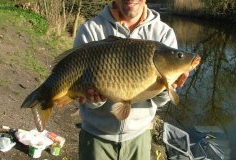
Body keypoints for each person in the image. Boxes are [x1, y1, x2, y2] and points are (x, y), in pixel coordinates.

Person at [74, 0, 189, 159]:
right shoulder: (91, 29)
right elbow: (81, 98)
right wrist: (93, 99)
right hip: (96, 137)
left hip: (139, 137)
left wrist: (168, 87)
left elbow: (158, 101)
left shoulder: (163, 34)